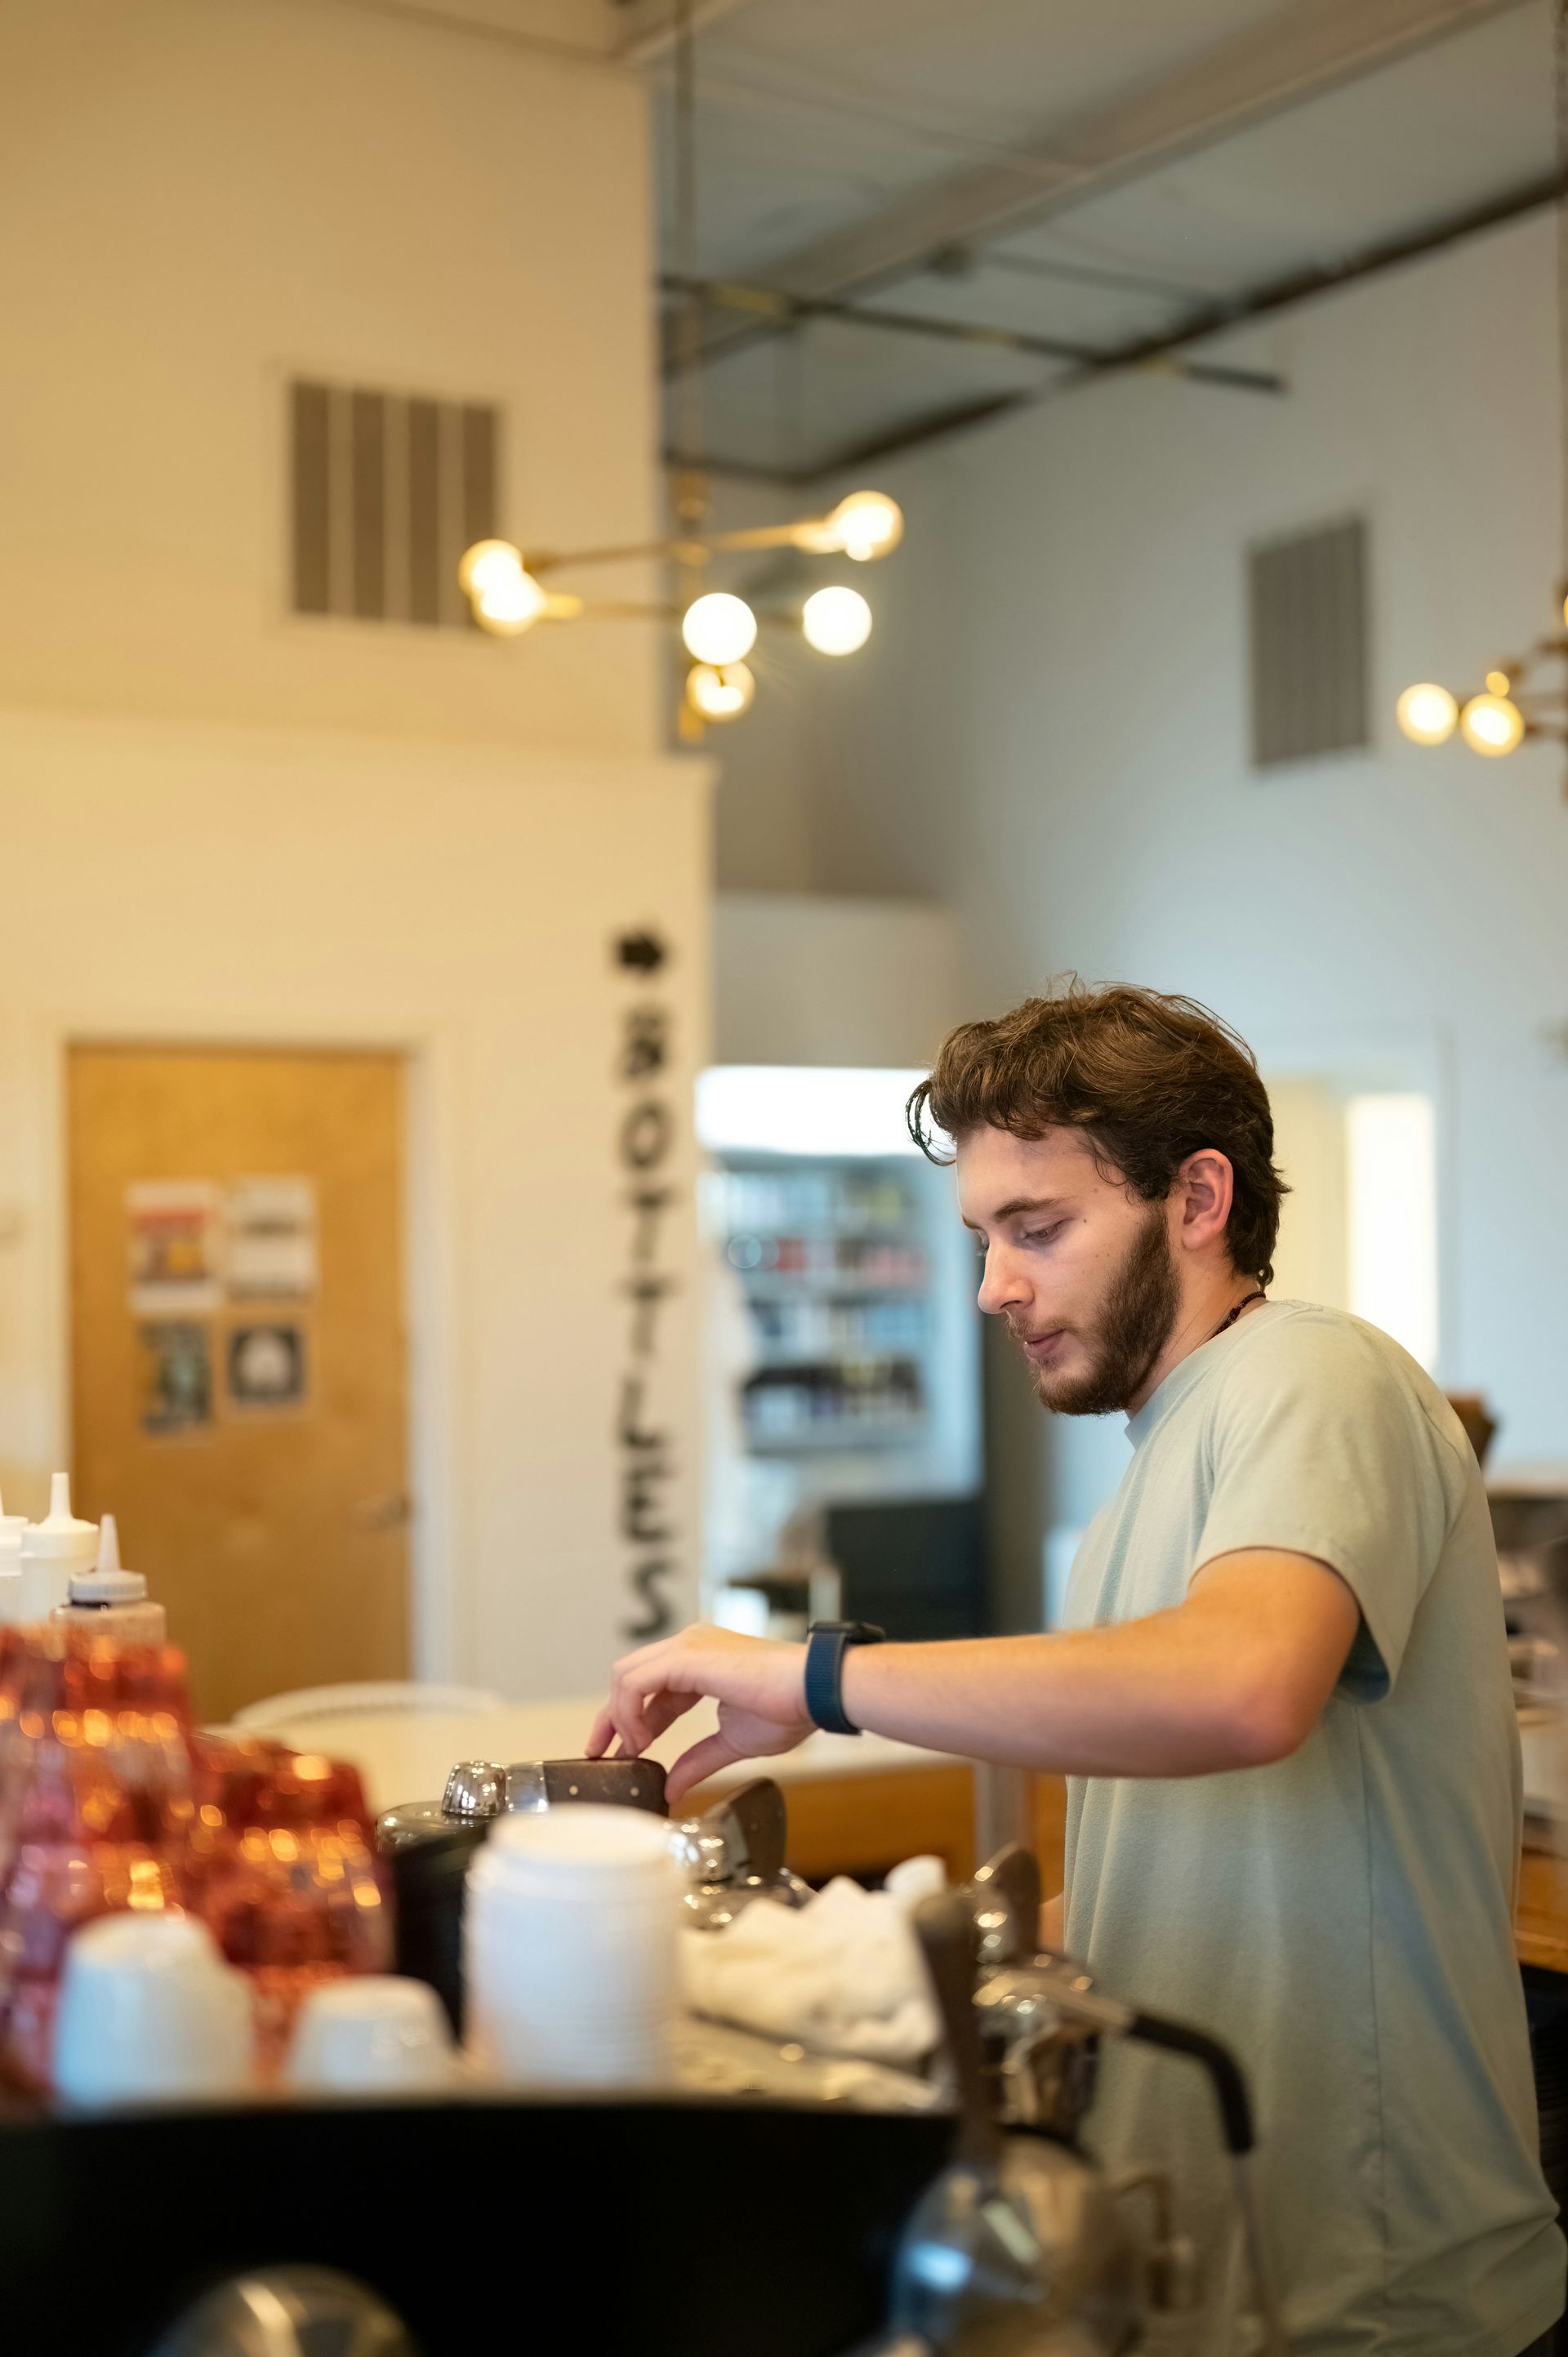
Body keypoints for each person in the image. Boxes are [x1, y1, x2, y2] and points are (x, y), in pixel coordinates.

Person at [587, 979, 1564, 2357]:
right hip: (1215, 2274)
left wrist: (817, 1677)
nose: (995, 1285)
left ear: (1199, 1198)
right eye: (985, 1236)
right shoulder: (1146, 1482)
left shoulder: (1318, 1372)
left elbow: (1239, 1685)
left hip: (1384, 2296)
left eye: (1038, 1228)